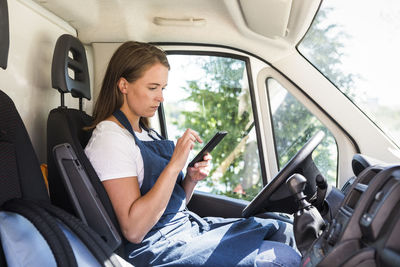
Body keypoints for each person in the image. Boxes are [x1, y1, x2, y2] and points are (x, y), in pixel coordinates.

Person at [85, 41, 301, 267]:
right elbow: (135, 230)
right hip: (158, 248)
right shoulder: (110, 139)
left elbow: (171, 206)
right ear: (123, 85)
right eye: (152, 88)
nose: (161, 97)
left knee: (285, 231)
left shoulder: (147, 133)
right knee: (282, 259)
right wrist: (174, 166)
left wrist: (190, 180)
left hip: (185, 230)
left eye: (163, 88)